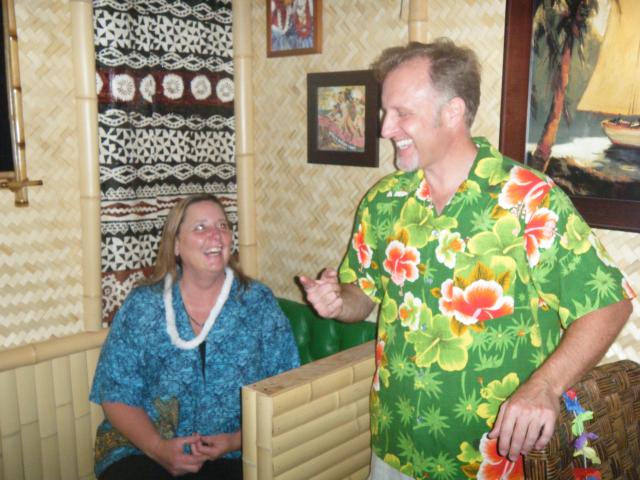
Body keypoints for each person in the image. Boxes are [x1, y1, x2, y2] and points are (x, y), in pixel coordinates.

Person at [300, 39, 635, 479]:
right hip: (396, 441)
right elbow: (362, 295)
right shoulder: (383, 201)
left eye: (401, 113)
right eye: (384, 112)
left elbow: (609, 304)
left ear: (452, 112)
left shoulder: (528, 199)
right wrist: (337, 301)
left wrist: (545, 386)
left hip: (496, 457)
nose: (385, 129)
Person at [90, 194, 300, 480]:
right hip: (141, 447)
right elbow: (115, 393)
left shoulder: (258, 302)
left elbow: (286, 388)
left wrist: (236, 440)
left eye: (222, 226)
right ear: (176, 245)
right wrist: (158, 448)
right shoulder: (143, 305)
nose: (216, 235)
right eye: (200, 227)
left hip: (237, 451)